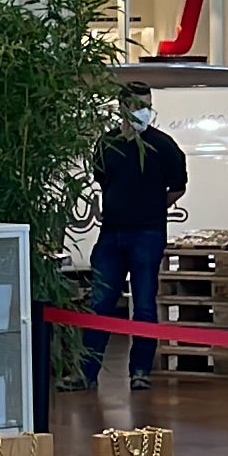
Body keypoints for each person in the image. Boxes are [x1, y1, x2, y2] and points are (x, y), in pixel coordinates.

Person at [83, 83, 187, 386]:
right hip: (111, 232)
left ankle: (140, 371)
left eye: (147, 105)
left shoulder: (163, 146)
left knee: (143, 303)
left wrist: (153, 207)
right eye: (138, 105)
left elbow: (178, 186)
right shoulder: (107, 144)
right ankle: (87, 372)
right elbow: (102, 178)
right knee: (101, 302)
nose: (144, 111)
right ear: (123, 108)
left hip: (147, 233)